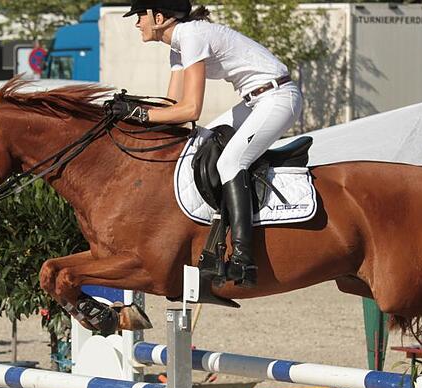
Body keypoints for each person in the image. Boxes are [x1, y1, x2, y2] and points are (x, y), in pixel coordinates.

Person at [111, 0, 303, 288]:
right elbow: (172, 110)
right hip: (255, 101)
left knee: (230, 161)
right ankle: (209, 236)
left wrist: (140, 114)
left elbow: (190, 110)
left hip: (279, 98)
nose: (137, 23)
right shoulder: (177, 46)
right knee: (197, 143)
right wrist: (135, 112)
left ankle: (242, 258)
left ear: (160, 17)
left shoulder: (191, 36)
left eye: (140, 16)